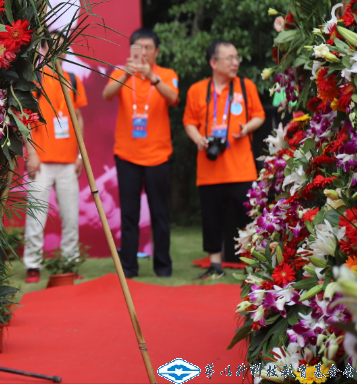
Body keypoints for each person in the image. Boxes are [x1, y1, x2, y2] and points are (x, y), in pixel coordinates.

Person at [183, 40, 265, 279]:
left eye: (236, 57)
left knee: (248, 218)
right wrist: (198, 139)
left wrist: (246, 127)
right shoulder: (197, 90)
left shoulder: (245, 86)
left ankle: (257, 265)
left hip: (242, 169)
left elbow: (259, 114)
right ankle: (215, 265)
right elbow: (188, 121)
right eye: (229, 58)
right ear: (213, 63)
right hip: (209, 170)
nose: (235, 62)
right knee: (211, 220)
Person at [102, 28, 179, 278]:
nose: (144, 52)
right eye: (139, 48)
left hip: (158, 155)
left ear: (157, 52)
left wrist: (153, 79)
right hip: (127, 155)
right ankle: (129, 268)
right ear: (131, 50)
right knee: (129, 215)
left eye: (148, 48)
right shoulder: (122, 73)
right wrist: (126, 74)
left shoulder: (166, 74)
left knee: (160, 213)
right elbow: (106, 95)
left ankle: (163, 267)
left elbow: (174, 98)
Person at [23, 39, 87, 283]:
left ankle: (70, 262)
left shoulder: (72, 79)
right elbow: (25, 120)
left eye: (64, 47)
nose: (59, 51)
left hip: (69, 162)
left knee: (70, 216)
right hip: (41, 161)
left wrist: (80, 154)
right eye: (54, 46)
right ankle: (33, 265)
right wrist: (31, 153)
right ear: (44, 49)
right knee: (36, 216)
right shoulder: (34, 79)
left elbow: (78, 118)